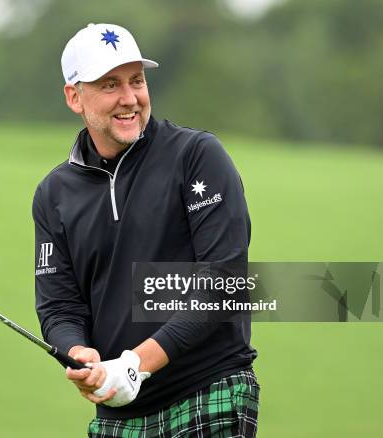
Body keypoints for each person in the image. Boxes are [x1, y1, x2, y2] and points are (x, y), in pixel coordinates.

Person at [32, 22, 259, 437]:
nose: (129, 98)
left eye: (136, 80)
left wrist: (135, 364)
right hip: (119, 415)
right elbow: (59, 308)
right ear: (74, 96)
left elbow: (222, 283)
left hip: (208, 390)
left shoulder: (196, 156)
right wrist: (81, 356)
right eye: (109, 85)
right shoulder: (54, 194)